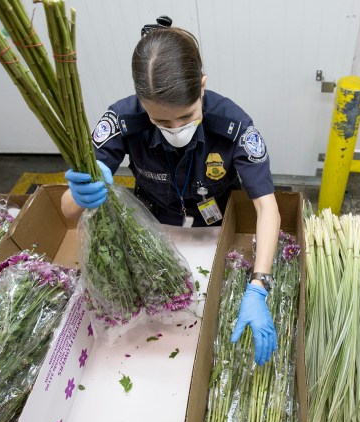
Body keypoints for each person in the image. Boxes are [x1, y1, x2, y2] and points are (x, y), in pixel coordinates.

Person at [61, 17, 281, 366]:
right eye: (161, 122)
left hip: (214, 230)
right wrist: (78, 193)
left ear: (203, 86)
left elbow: (267, 208)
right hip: (152, 231)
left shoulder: (234, 126)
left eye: (187, 116)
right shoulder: (121, 120)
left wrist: (259, 285)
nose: (176, 129)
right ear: (141, 101)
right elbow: (68, 213)